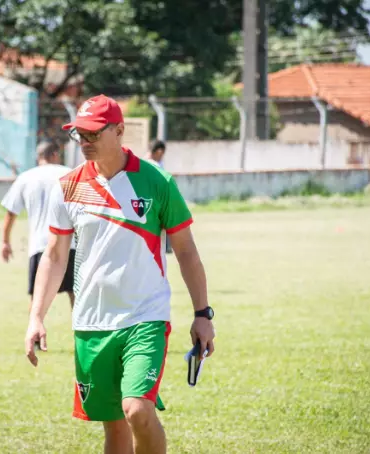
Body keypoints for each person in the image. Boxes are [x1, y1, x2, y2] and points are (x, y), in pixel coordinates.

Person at [24, 95, 215, 454]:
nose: (84, 142)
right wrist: (36, 317)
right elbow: (54, 256)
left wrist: (202, 314)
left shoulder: (158, 182)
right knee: (114, 428)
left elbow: (187, 252)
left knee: (137, 410)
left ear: (120, 131)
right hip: (91, 322)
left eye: (94, 134)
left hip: (145, 317)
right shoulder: (67, 187)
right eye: (79, 134)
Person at [1, 141, 76, 314]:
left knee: (37, 299)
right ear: (55, 155)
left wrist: (5, 242)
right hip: (70, 244)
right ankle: (80, 339)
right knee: (76, 296)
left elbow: (11, 213)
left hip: (40, 245)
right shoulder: (70, 174)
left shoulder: (26, 178)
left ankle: (34, 338)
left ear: (39, 157)